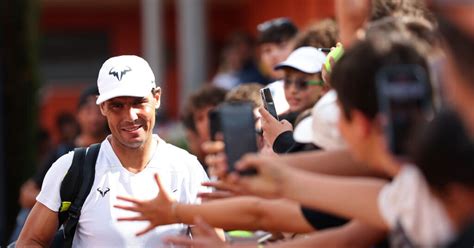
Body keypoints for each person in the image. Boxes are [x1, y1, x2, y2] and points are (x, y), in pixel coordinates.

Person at [234, 38, 455, 247]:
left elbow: (273, 206)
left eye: (338, 110)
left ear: (359, 123)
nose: (292, 89)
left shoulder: (409, 187)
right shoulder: (407, 183)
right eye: (288, 81)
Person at [17, 55, 211, 247]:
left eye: (138, 102)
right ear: (102, 108)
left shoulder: (186, 168)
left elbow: (212, 243)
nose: (130, 116)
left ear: (157, 98)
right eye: (117, 106)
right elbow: (30, 242)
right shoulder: (71, 167)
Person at [9, 85, 108, 243]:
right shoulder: (64, 153)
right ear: (78, 114)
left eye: (99, 111)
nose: (94, 118)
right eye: (88, 110)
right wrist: (57, 203)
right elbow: (26, 193)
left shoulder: (113, 153)